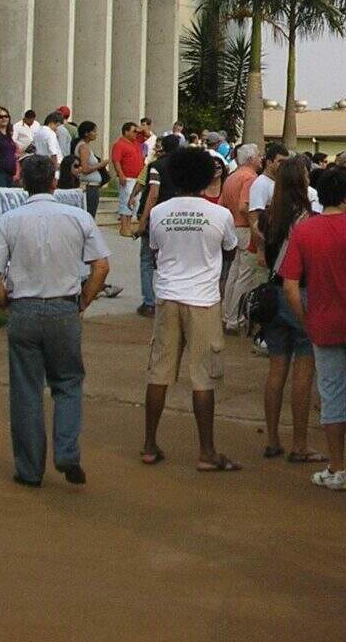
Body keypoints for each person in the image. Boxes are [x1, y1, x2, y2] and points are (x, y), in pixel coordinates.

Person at [0, 154, 110, 488]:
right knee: (67, 382)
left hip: (23, 307)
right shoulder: (78, 217)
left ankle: (29, 469)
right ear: (55, 180)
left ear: (23, 182)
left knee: (26, 390)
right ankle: (66, 450)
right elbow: (101, 266)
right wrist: (84, 300)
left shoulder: (9, 221)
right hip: (64, 307)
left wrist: (5, 302)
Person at [278, 168, 346, 492]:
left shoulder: (305, 231)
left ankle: (337, 468)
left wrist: (306, 318)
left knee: (333, 396)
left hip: (323, 326)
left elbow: (290, 286)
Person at [141, 146, 241, 472]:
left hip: (168, 296)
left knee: (159, 372)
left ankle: (149, 443)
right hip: (203, 300)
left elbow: (155, 250)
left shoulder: (160, 212)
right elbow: (230, 250)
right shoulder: (219, 214)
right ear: (205, 177)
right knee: (203, 377)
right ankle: (207, 451)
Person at [259, 156, 325, 464]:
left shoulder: (270, 216)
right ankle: (300, 443)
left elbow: (263, 256)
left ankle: (273, 438)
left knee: (276, 370)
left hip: (274, 293)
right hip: (302, 293)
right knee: (303, 371)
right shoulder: (310, 219)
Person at [134, 133, 184, 315]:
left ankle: (149, 302)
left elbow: (153, 194)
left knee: (147, 260)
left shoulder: (157, 166)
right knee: (172, 260)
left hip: (157, 217)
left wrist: (142, 220)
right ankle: (172, 300)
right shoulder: (182, 167)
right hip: (178, 216)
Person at [218, 144, 263, 326]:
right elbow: (245, 206)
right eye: (259, 156)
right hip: (245, 229)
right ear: (251, 159)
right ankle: (234, 317)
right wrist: (256, 225)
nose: (261, 159)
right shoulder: (250, 178)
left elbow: (222, 204)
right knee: (244, 275)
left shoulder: (232, 177)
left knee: (234, 274)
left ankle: (228, 314)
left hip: (233, 228)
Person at [111, 122, 148, 238]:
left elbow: (147, 134)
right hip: (127, 177)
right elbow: (116, 160)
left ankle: (129, 224)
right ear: (126, 132)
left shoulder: (137, 142)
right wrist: (120, 174)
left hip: (137, 177)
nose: (136, 134)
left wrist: (140, 129)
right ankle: (124, 226)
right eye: (133, 131)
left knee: (135, 201)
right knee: (125, 200)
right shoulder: (119, 144)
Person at [74, 121, 109, 216]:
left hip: (93, 186)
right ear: (86, 133)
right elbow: (85, 169)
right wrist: (101, 164)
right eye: (94, 131)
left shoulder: (86, 146)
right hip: (89, 186)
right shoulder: (83, 147)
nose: (96, 134)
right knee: (89, 214)